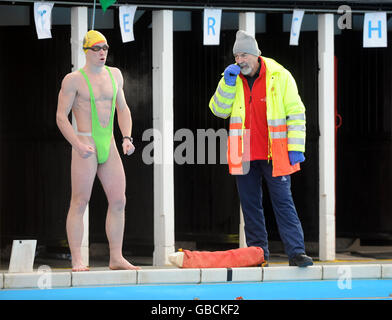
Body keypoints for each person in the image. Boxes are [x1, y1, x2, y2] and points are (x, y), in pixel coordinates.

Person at [209, 30, 313, 267]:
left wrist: (296, 147)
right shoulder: (231, 78)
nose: (240, 61)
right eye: (236, 56)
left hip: (275, 153)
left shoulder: (280, 75)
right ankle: (258, 255)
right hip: (243, 154)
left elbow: (296, 113)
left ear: (256, 55)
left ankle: (296, 252)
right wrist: (227, 83)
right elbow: (218, 110)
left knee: (283, 203)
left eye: (244, 55)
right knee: (250, 206)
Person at [56, 30, 140, 271]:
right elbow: (61, 117)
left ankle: (116, 257)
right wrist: (77, 144)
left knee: (118, 201)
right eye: (97, 48)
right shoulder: (73, 80)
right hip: (86, 144)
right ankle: (77, 259)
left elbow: (123, 109)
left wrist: (126, 137)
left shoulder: (115, 75)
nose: (102, 52)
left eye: (105, 47)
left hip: (109, 143)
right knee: (80, 202)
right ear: (86, 50)